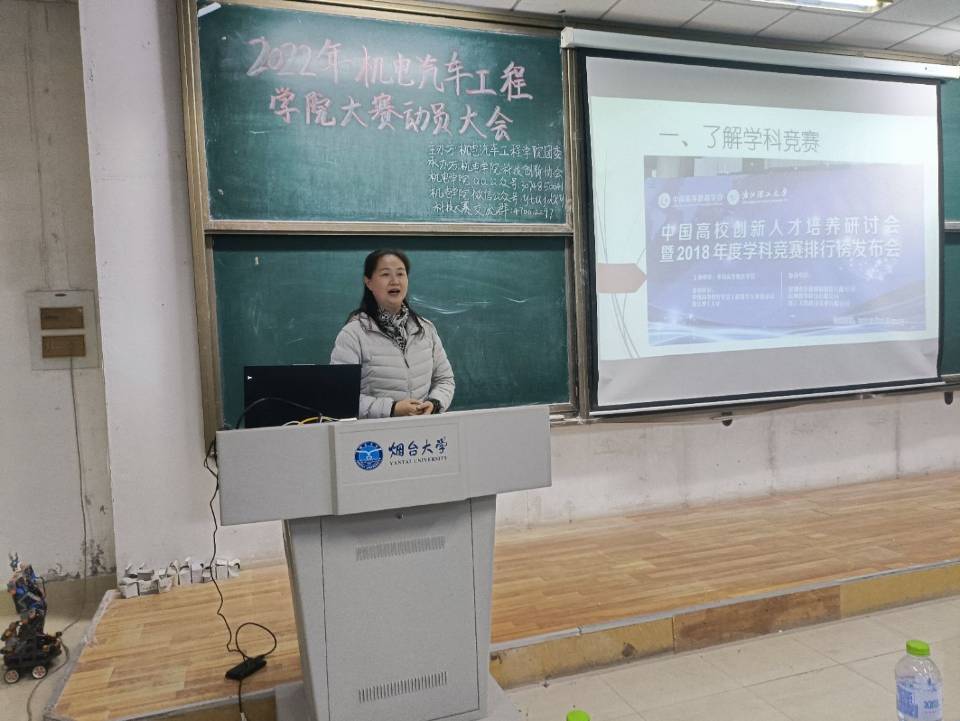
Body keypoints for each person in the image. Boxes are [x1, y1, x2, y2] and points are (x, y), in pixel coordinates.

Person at [331, 249, 454, 419]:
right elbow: (341, 397)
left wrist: (435, 403)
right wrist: (392, 408)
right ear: (369, 282)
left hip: (423, 430)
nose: (395, 281)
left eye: (400, 274)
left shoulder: (425, 329)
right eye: (385, 274)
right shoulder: (353, 334)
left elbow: (445, 380)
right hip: (375, 433)